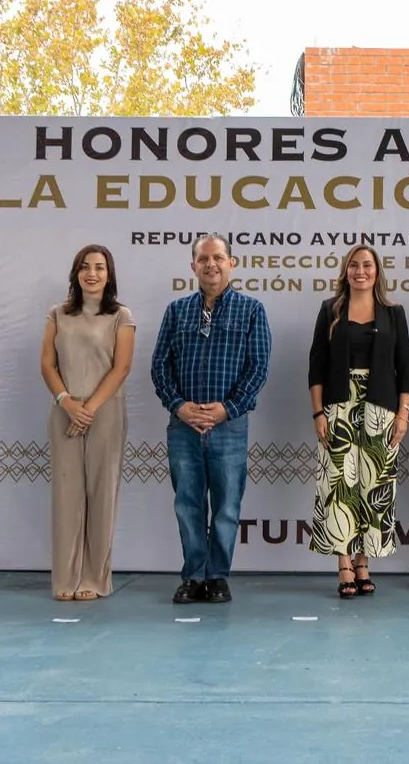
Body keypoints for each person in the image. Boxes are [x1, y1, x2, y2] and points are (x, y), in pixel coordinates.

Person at [151, 233, 271, 605]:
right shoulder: (176, 311)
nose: (211, 265)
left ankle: (217, 575)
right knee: (188, 503)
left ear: (231, 263)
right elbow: (160, 367)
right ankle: (193, 576)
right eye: (203, 259)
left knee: (227, 505)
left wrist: (226, 409)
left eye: (218, 257)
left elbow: (258, 368)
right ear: (193, 267)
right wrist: (179, 405)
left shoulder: (251, 310)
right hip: (183, 425)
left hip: (229, 425)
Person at [307, 244, 409, 597]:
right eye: (354, 265)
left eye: (367, 265)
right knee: (339, 486)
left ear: (377, 271)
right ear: (345, 270)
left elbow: (406, 367)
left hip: (381, 407)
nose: (360, 271)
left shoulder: (393, 312)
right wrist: (318, 412)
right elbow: (316, 365)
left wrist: (403, 414)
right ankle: (343, 564)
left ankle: (363, 561)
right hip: (338, 407)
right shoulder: (330, 310)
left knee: (373, 486)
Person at [40, 244, 136, 601]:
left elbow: (121, 367)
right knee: (66, 496)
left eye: (98, 267)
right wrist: (66, 401)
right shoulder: (57, 314)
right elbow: (48, 364)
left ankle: (95, 579)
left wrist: (90, 407)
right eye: (84, 267)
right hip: (65, 409)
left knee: (101, 494)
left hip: (106, 410)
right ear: (75, 273)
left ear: (109, 274)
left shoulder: (121, 316)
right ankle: (65, 578)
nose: (91, 273)